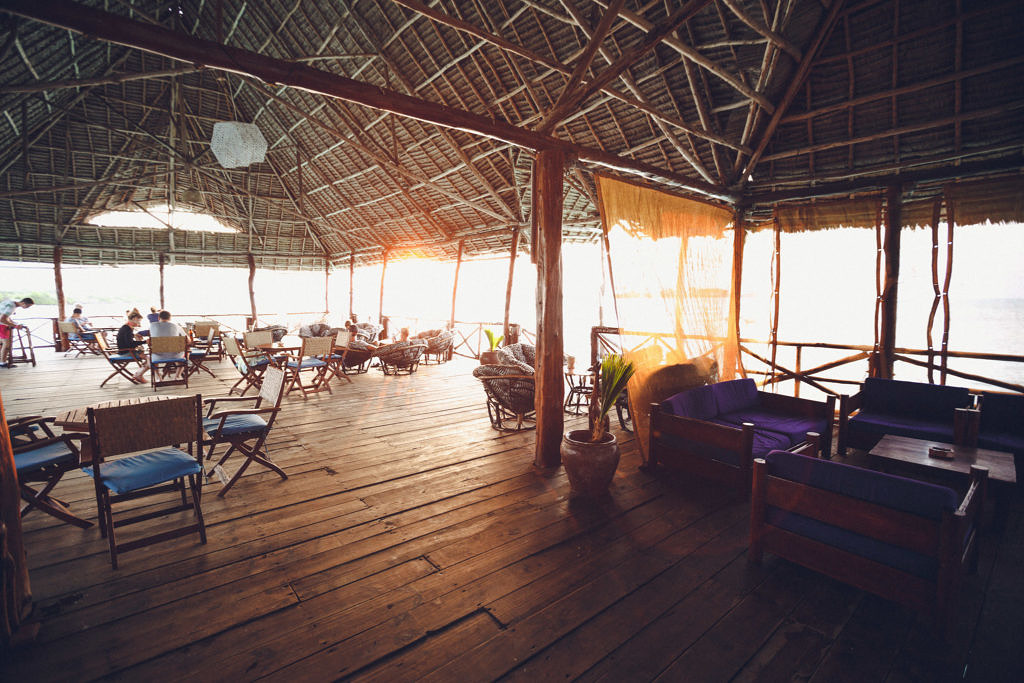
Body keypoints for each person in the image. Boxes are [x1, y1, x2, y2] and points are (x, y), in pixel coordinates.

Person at [149, 310, 187, 379]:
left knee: (152, 355)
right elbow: (188, 340)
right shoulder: (177, 326)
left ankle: (158, 377)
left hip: (158, 357)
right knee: (186, 354)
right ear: (170, 318)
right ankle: (177, 376)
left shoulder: (152, 326)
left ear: (159, 318)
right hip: (175, 356)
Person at [116, 311, 149, 383]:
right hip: (126, 352)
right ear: (134, 319)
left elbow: (128, 341)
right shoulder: (127, 329)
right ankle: (139, 375)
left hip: (124, 350)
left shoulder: (126, 327)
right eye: (139, 320)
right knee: (149, 358)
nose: (139, 323)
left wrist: (134, 336)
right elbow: (130, 344)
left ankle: (138, 374)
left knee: (147, 356)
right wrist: (145, 342)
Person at [0, 297, 33, 368]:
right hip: (1, 325)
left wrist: (15, 324)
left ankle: (2, 361)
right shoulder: (11, 307)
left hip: (2, 325)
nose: (27, 308)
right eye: (27, 306)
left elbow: (6, 317)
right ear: (23, 303)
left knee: (4, 344)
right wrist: (16, 326)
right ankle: (3, 363)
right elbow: (2, 319)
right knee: (6, 345)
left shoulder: (11, 302)